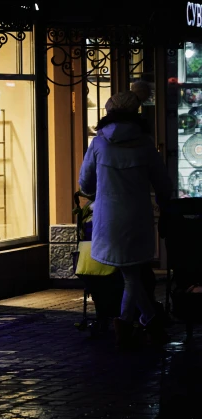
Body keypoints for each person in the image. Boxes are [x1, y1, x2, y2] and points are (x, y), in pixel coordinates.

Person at [78, 91, 172, 350]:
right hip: (138, 216)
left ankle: (129, 322)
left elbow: (85, 183)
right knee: (132, 271)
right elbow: (163, 183)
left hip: (108, 216)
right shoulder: (145, 144)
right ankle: (143, 320)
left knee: (129, 272)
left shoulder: (99, 144)